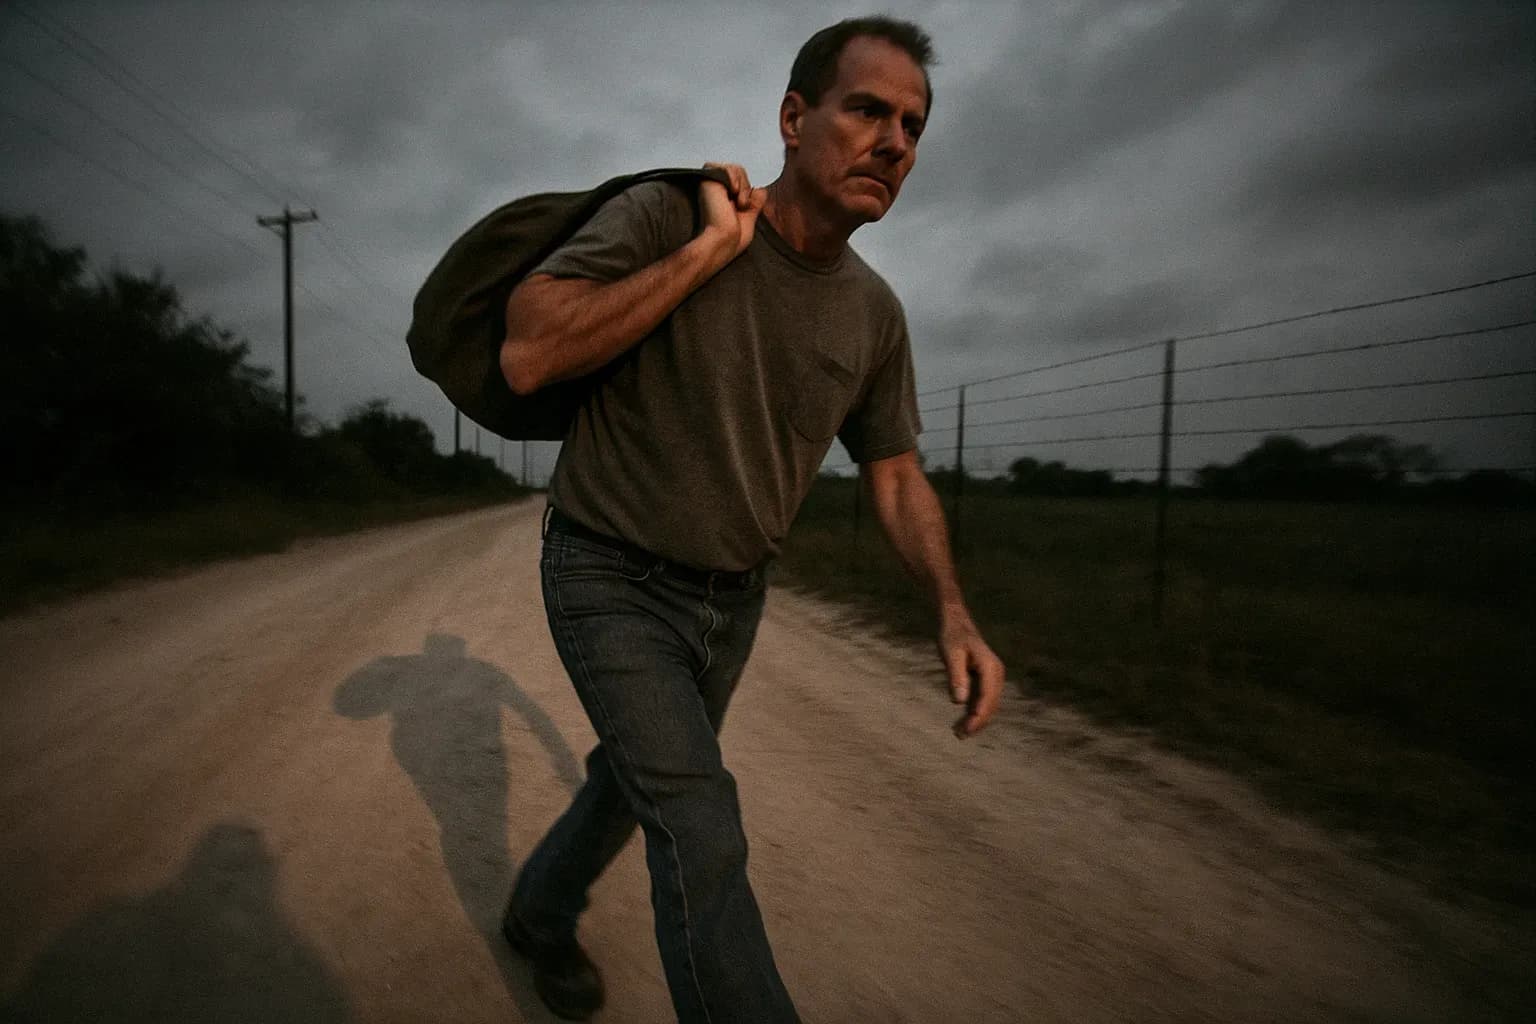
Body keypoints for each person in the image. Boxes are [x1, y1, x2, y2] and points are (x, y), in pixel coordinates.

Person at [497, 15, 1005, 1023]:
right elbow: (530, 352)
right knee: (698, 820)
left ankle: (538, 915)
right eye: (867, 109)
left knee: (629, 784)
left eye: (913, 124)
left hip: (732, 599)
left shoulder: (875, 314)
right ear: (791, 116)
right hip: (606, 571)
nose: (895, 140)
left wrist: (952, 609)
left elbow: (896, 475)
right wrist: (712, 252)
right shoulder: (672, 215)